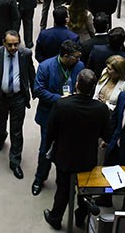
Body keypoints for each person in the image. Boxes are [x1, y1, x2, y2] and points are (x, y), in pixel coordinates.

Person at [42, 68, 111, 229]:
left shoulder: (61, 104)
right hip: (87, 158)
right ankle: (81, 218)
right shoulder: (101, 109)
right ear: (93, 88)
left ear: (77, 84)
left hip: (64, 156)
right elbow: (106, 134)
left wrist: (48, 149)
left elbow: (50, 131)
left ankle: (56, 218)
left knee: (63, 190)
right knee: (85, 192)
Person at [32, 40, 84, 196]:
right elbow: (38, 90)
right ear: (66, 56)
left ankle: (63, 180)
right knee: (45, 150)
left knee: (68, 149)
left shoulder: (79, 67)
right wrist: (61, 99)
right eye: (76, 57)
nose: (79, 60)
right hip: (50, 116)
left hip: (71, 117)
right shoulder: (45, 66)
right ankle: (39, 178)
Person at [0, 30, 35, 180]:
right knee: (0, 122)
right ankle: (1, 137)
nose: (13, 48)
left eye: (16, 44)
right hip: (0, 98)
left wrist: (34, 90)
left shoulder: (25, 54)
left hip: (18, 98)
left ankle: (15, 161)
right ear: (4, 43)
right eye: (10, 45)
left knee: (17, 130)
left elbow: (31, 73)